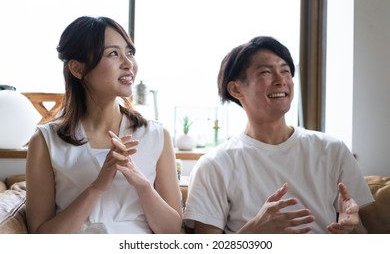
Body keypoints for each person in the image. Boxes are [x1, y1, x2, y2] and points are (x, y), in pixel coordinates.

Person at [183, 36, 374, 234]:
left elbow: (364, 234)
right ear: (236, 89)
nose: (281, 80)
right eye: (266, 72)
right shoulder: (215, 164)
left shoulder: (331, 149)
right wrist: (254, 230)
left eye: (285, 71)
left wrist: (352, 226)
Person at [25, 16, 182, 234]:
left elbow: (172, 232)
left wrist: (142, 185)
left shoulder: (156, 135)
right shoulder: (45, 140)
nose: (128, 64)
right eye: (113, 53)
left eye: (129, 52)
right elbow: (41, 237)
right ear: (78, 69)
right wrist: (96, 188)